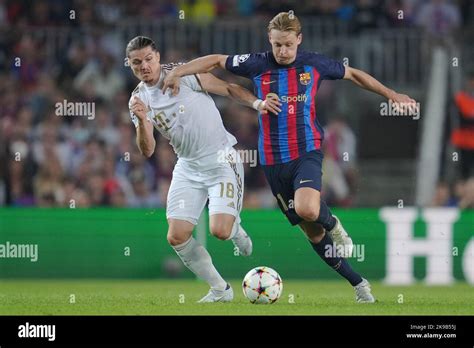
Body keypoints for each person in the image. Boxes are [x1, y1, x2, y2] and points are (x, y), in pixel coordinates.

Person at [163, 12, 418, 303]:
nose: (282, 51)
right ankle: (359, 284)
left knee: (310, 209)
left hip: (306, 151)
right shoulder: (257, 63)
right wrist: (178, 71)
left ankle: (334, 224)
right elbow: (217, 60)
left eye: (288, 44)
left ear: (299, 39)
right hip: (273, 161)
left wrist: (391, 94)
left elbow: (354, 74)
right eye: (277, 45)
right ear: (269, 41)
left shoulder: (314, 63)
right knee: (311, 232)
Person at [126, 36, 279, 303]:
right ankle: (221, 289)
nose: (144, 67)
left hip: (220, 159)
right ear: (130, 65)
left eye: (148, 59)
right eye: (137, 63)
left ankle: (236, 228)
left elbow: (228, 89)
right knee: (176, 236)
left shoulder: (184, 75)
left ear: (158, 57)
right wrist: (141, 122)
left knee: (220, 231)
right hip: (187, 167)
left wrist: (258, 105)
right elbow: (148, 149)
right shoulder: (138, 100)